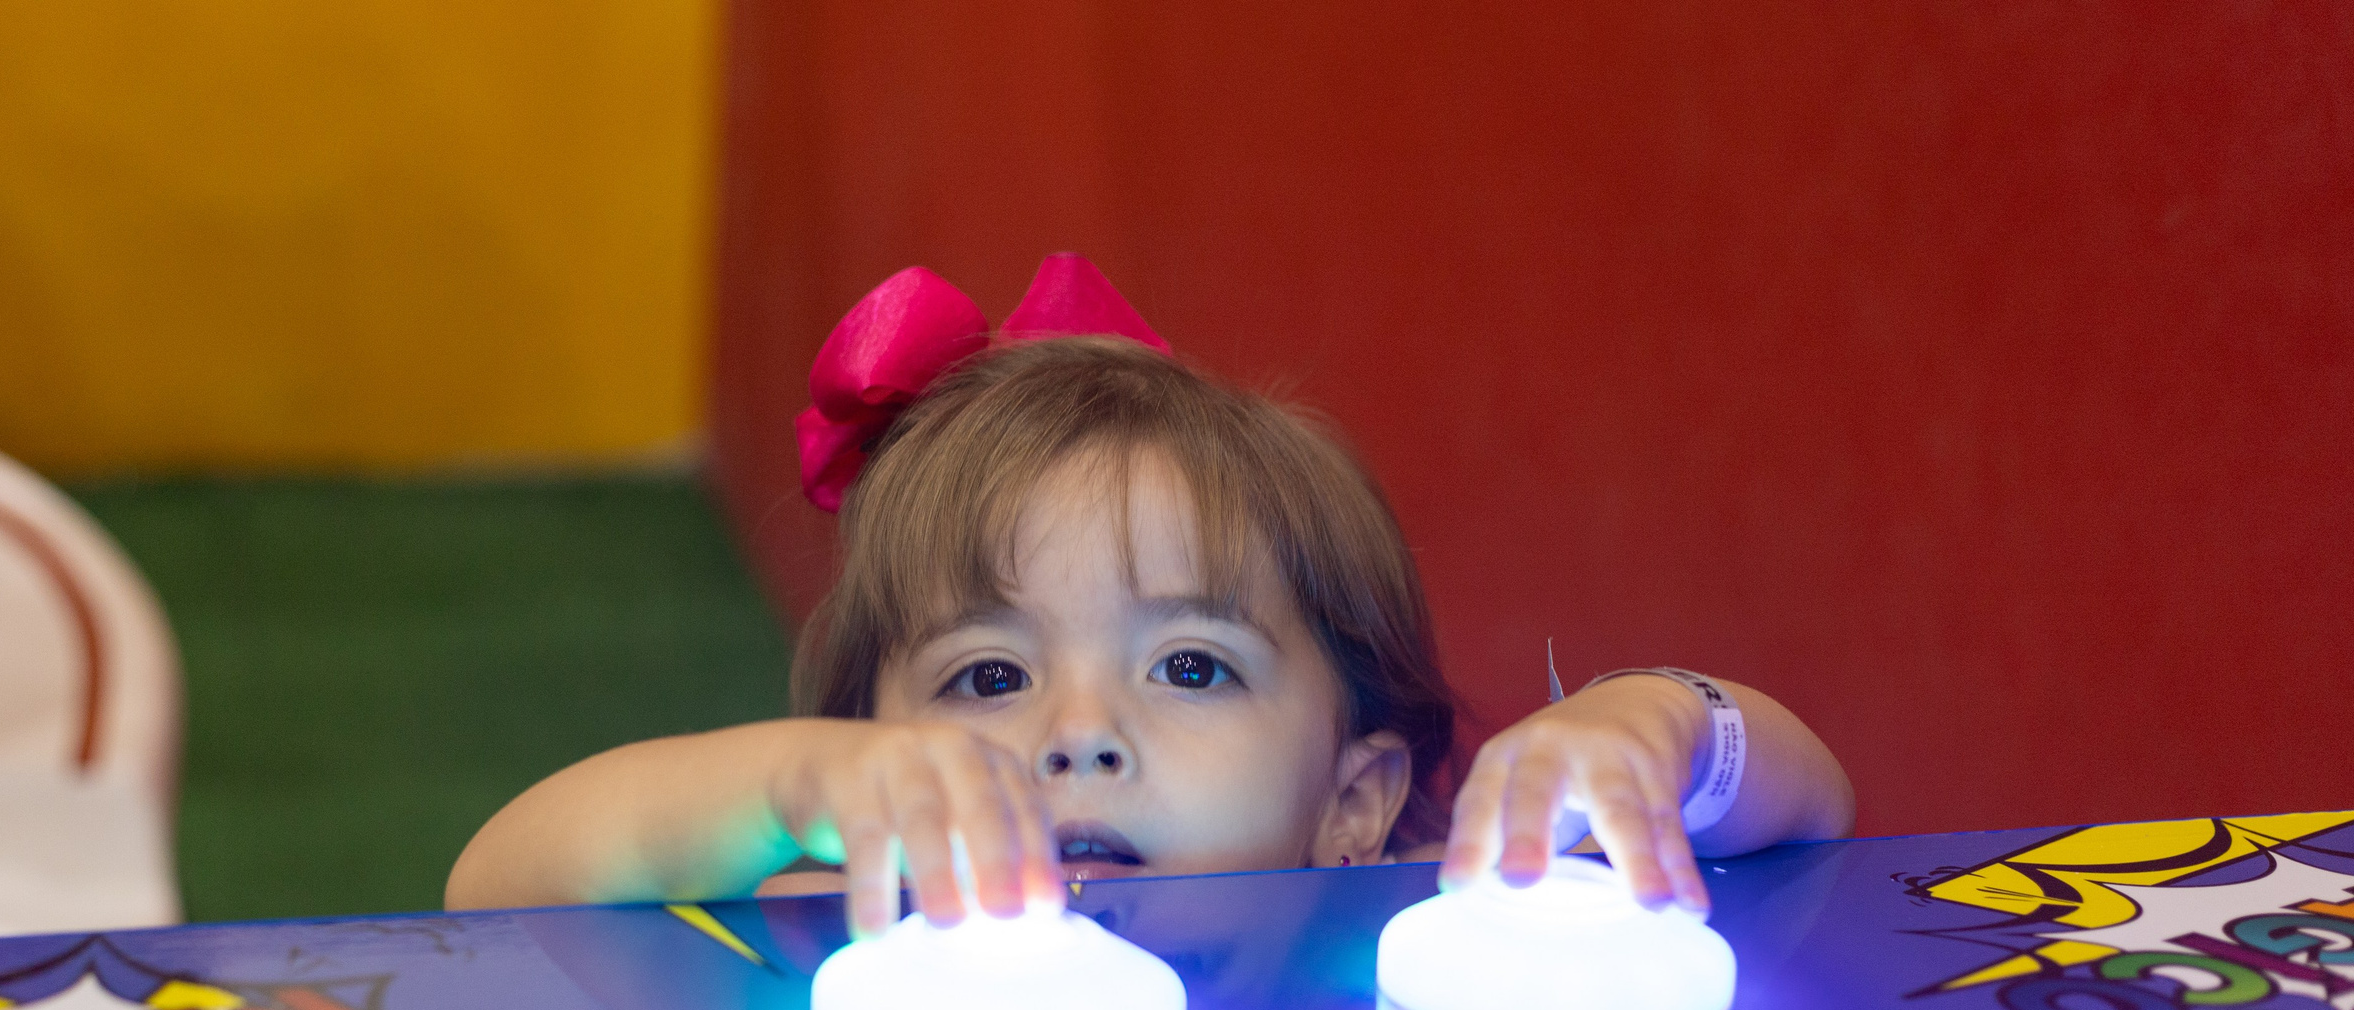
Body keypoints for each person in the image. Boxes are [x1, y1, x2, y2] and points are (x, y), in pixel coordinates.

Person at [447, 255, 1853, 937]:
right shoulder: (841, 929)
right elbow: (497, 885)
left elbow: (1812, 807)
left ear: (1355, 805)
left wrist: (1652, 722)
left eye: (1189, 667)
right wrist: (793, 792)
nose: (1076, 734)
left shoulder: (1425, 926)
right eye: (986, 678)